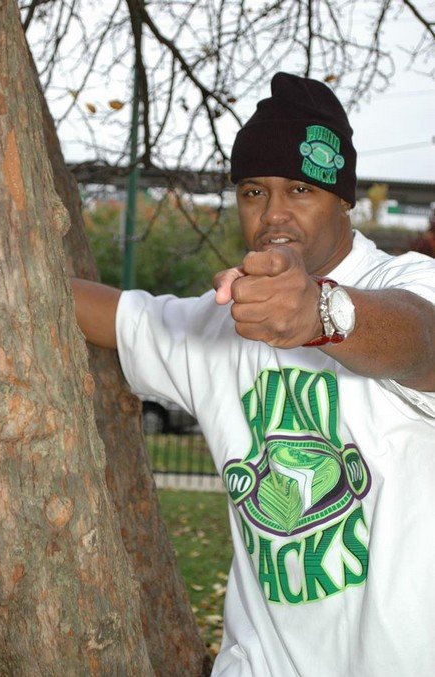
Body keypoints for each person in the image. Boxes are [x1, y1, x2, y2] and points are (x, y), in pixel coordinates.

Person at [72, 73, 435, 676]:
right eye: (253, 191)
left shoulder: (407, 283)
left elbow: (422, 342)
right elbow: (115, 315)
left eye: (301, 189)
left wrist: (323, 313)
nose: (274, 214)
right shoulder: (222, 324)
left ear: (342, 199)